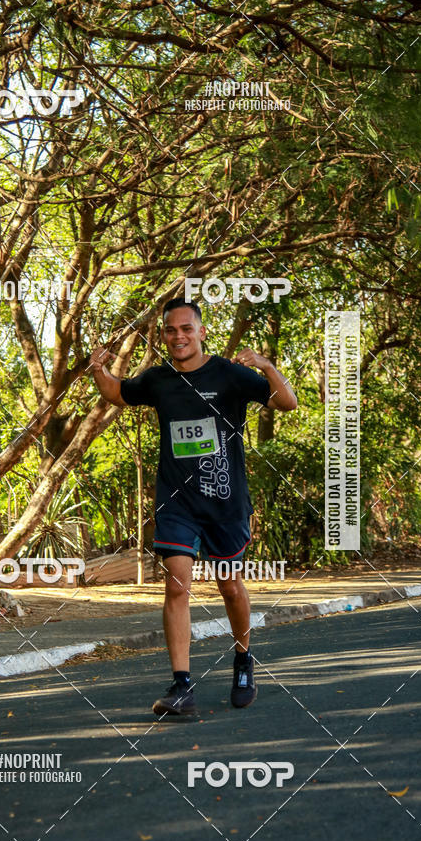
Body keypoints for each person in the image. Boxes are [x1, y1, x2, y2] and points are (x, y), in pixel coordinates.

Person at [89, 298, 297, 716]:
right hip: (177, 502)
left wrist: (266, 365)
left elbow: (286, 402)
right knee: (176, 585)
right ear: (163, 335)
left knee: (230, 586)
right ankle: (181, 685)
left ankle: (243, 659)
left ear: (201, 332)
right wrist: (98, 369)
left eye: (187, 328)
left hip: (224, 501)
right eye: (171, 330)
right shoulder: (158, 379)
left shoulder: (229, 374)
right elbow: (117, 393)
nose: (178, 336)